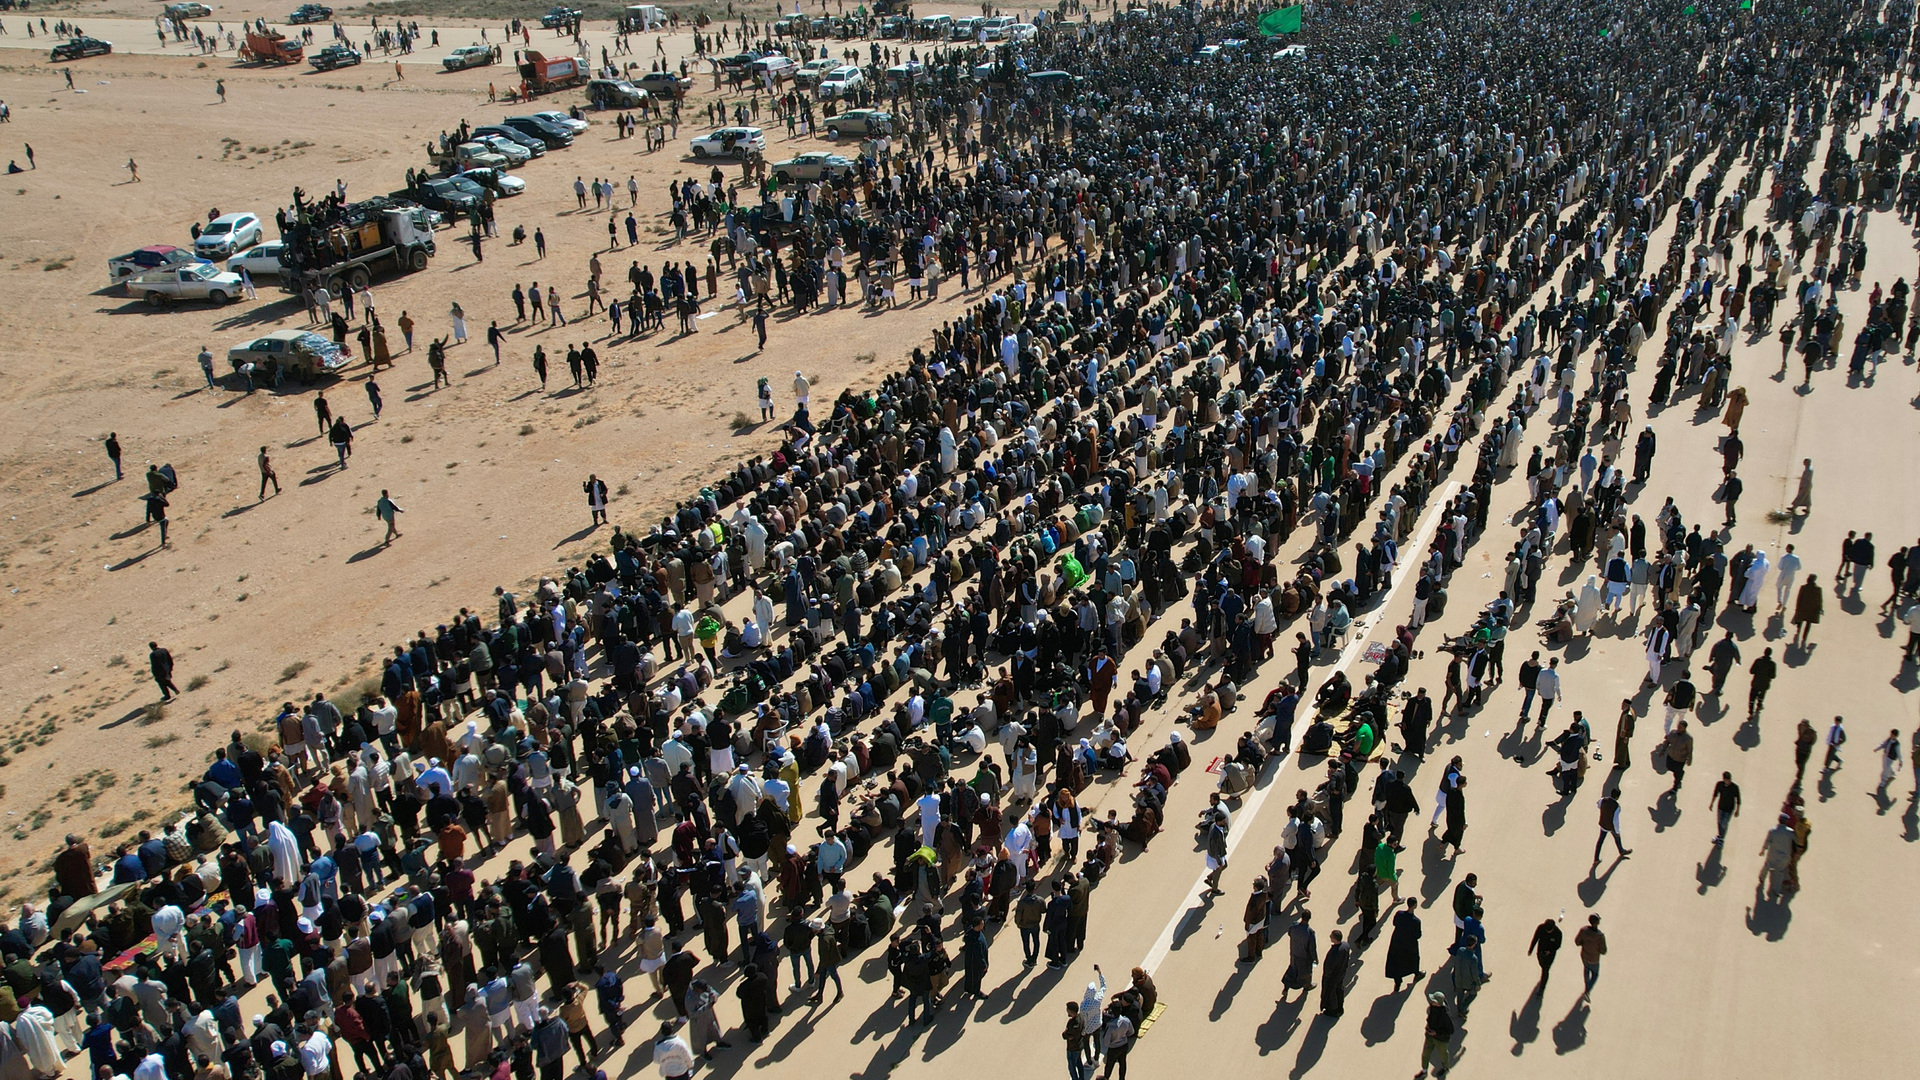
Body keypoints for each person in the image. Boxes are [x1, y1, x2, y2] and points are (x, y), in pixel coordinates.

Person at [1416, 990, 1454, 1078]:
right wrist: (1428, 1024)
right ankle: (1424, 1071)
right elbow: (1430, 1016)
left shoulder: (1446, 1015)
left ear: (1438, 1003)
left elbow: (1450, 1030)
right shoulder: (1433, 1007)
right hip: (1430, 1036)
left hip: (1441, 1040)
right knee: (1425, 1054)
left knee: (1443, 1055)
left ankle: (1445, 1068)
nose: (1431, 1002)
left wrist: (1436, 1033)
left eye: (1433, 1001)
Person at [1593, 787, 1630, 864]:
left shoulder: (1603, 800)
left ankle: (1596, 858)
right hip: (1611, 826)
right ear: (1617, 797)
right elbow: (1615, 821)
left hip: (1603, 823)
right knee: (1617, 838)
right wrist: (1617, 831)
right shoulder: (1617, 806)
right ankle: (1621, 851)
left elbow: (1598, 805)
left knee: (1600, 841)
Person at [1572, 915, 1607, 996]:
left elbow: (1577, 942)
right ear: (1597, 923)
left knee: (1586, 970)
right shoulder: (1600, 936)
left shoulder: (1583, 930)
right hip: (1594, 959)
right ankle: (1587, 991)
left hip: (1584, 956)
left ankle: (1586, 987)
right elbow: (1603, 951)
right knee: (1595, 975)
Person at [1526, 917, 1562, 994]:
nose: (1548, 932)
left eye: (1549, 931)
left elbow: (1558, 945)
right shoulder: (1540, 928)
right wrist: (1531, 949)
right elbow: (1535, 938)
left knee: (1546, 970)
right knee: (1542, 965)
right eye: (1547, 930)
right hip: (1540, 951)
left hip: (1550, 955)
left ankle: (1542, 988)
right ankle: (1543, 973)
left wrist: (1550, 951)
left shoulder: (1558, 933)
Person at [1709, 772, 1741, 843]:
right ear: (1724, 779)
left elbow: (1738, 799)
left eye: (1729, 780)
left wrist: (1737, 810)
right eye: (1727, 780)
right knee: (1719, 822)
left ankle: (1721, 838)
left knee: (1724, 823)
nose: (1729, 781)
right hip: (1721, 807)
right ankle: (1720, 836)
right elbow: (1715, 794)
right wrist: (1711, 804)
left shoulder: (1734, 787)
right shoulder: (1719, 785)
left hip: (1729, 809)